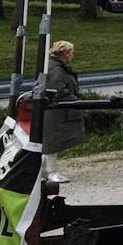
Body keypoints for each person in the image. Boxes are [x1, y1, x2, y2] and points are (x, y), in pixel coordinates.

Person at [42, 39, 85, 184]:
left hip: (56, 111)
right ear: (65, 54)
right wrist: (77, 101)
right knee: (52, 143)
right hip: (55, 112)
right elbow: (59, 91)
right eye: (71, 52)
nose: (73, 55)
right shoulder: (56, 70)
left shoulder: (56, 67)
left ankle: (44, 170)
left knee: (51, 144)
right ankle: (52, 172)